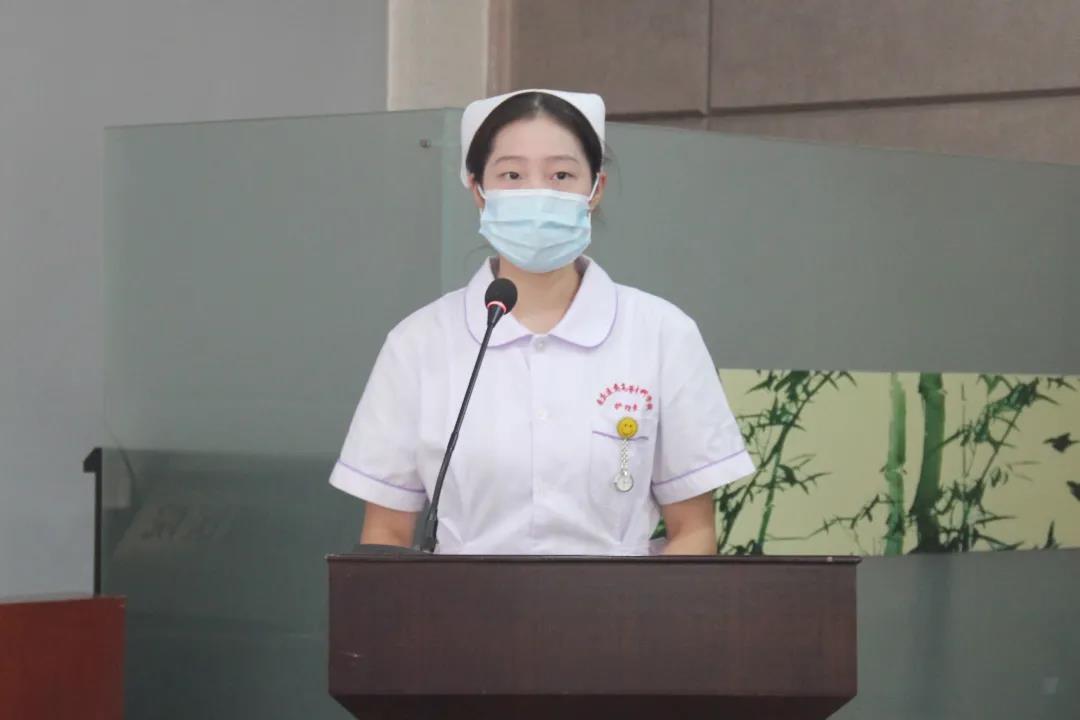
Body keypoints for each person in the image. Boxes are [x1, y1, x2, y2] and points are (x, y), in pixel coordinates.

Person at [329, 89, 753, 555]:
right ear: (477, 190)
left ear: (596, 190)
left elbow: (693, 531)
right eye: (512, 175)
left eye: (561, 175)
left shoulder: (662, 334)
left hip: (621, 603)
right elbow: (386, 536)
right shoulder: (418, 343)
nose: (538, 193)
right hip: (460, 603)